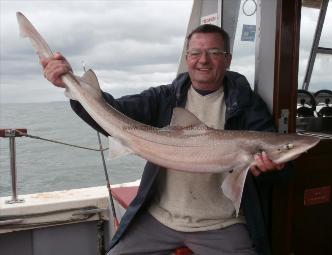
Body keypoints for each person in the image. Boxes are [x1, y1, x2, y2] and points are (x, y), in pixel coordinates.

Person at [41, 24, 289, 255]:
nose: (203, 60)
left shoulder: (247, 106)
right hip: (159, 219)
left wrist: (270, 170)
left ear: (228, 59)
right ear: (187, 58)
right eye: (195, 52)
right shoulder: (165, 98)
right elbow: (110, 111)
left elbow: (280, 171)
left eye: (213, 52)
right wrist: (72, 86)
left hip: (221, 224)